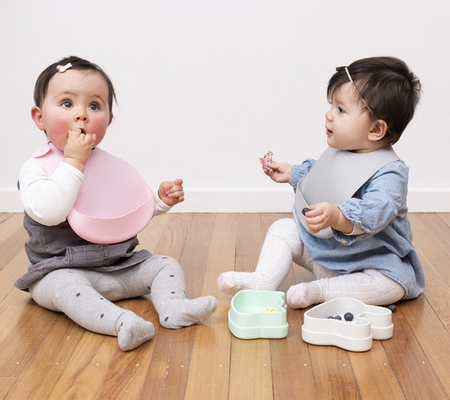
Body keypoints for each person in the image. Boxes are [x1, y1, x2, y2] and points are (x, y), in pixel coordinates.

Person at [16, 56, 217, 351]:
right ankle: (123, 322)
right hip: (61, 270)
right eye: (67, 104)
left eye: (94, 106)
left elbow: (122, 212)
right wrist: (73, 162)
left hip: (119, 266)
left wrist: (157, 201)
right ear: (39, 117)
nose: (81, 115)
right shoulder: (35, 168)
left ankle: (173, 307)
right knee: (64, 290)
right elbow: (50, 213)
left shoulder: (107, 166)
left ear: (109, 120)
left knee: (165, 264)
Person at [218, 56, 425, 309]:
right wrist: (293, 173)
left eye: (340, 110)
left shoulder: (391, 173)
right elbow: (322, 177)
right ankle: (263, 280)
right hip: (326, 254)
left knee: (395, 283)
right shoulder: (344, 148)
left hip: (372, 262)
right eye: (331, 105)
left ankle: (318, 291)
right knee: (283, 229)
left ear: (375, 130)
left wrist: (338, 216)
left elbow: (376, 210)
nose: (328, 115)